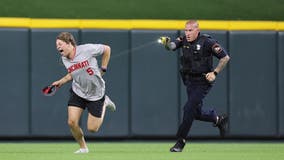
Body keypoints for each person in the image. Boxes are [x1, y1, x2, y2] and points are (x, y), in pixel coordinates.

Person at [159, 20, 230, 152]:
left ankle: (180, 141)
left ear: (197, 30)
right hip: (190, 81)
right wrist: (167, 43)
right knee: (195, 112)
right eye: (186, 30)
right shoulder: (184, 40)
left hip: (203, 81)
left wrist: (215, 72)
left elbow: (225, 57)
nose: (187, 33)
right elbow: (172, 47)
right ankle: (218, 119)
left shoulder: (207, 42)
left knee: (188, 109)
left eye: (190, 30)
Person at [52, 32, 116, 154]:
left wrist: (103, 68)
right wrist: (61, 81)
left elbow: (107, 49)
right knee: (71, 122)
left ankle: (105, 102)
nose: (57, 47)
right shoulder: (64, 59)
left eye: (60, 44)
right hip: (78, 91)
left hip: (96, 93)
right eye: (56, 45)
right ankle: (83, 148)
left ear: (69, 43)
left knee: (92, 129)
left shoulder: (87, 49)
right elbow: (73, 73)